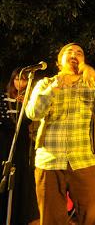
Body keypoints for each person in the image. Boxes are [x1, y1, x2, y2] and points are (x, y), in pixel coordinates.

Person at [25, 43, 95, 224]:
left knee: (94, 218)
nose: (75, 54)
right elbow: (33, 113)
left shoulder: (92, 86)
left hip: (85, 160)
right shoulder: (45, 84)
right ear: (59, 62)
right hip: (50, 162)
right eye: (69, 52)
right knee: (51, 220)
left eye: (79, 53)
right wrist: (53, 88)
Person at [0, 68, 39, 224]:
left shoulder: (30, 99)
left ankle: (18, 215)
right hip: (4, 143)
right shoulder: (3, 97)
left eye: (23, 79)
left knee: (20, 176)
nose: (19, 82)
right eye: (16, 79)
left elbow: (29, 122)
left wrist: (27, 106)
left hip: (22, 143)